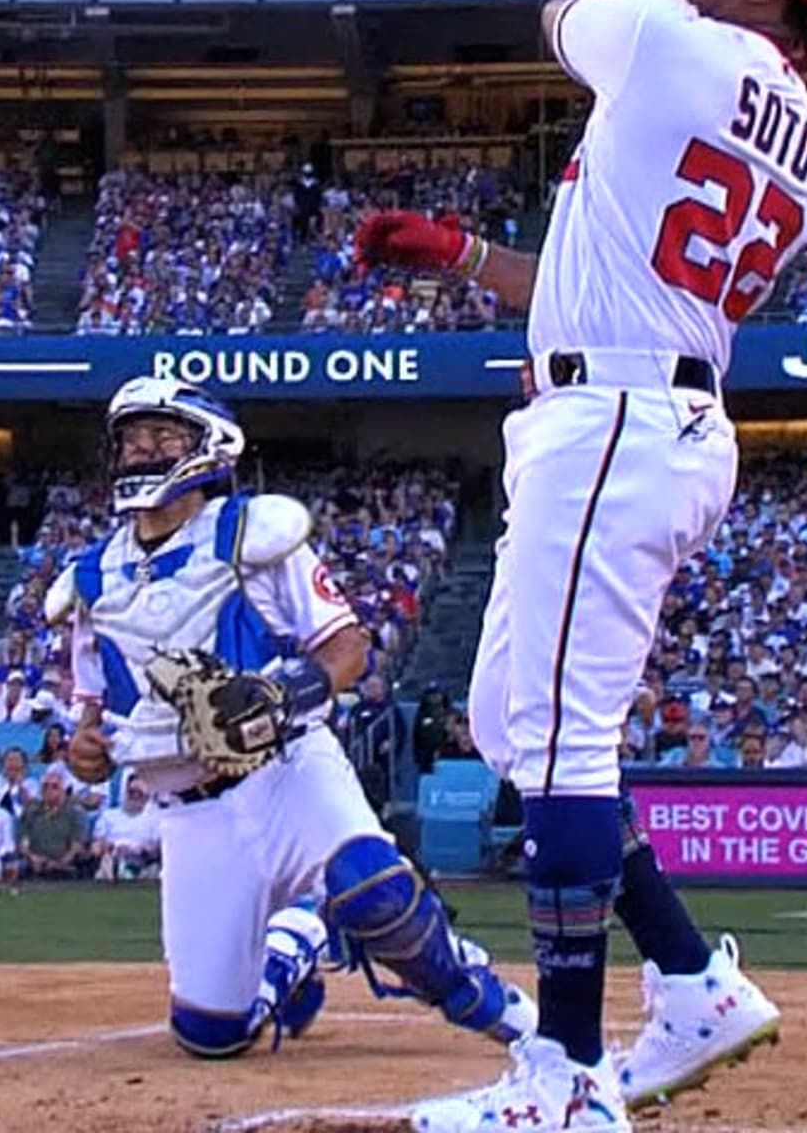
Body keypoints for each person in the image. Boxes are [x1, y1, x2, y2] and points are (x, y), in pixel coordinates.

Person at [355, 0, 807, 1122]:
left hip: (611, 429)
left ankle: (565, 1080)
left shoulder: (667, 34)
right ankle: (691, 982)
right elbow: (600, 286)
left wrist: (647, 2)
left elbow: (552, 16)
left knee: (568, 748)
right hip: (649, 408)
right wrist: (462, 252)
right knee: (504, 726)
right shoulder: (806, 147)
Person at [44, 376, 530, 1064]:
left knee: (374, 888)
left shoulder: (255, 533)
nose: (143, 451)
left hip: (287, 769)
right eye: (132, 439)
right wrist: (84, 747)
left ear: (208, 448)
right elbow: (90, 714)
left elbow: (349, 648)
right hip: (188, 812)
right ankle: (295, 944)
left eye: (163, 437)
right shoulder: (90, 577)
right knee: (210, 1035)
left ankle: (497, 1005)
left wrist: (281, 698)